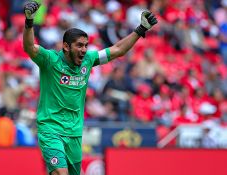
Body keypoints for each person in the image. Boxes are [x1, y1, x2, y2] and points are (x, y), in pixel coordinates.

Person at [22, 1, 157, 175]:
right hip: (51, 130)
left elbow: (117, 50)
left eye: (86, 45)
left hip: (75, 133)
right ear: (65, 46)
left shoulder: (88, 60)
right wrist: (29, 21)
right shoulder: (49, 60)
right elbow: (29, 47)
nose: (84, 50)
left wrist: (140, 29)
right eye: (79, 45)